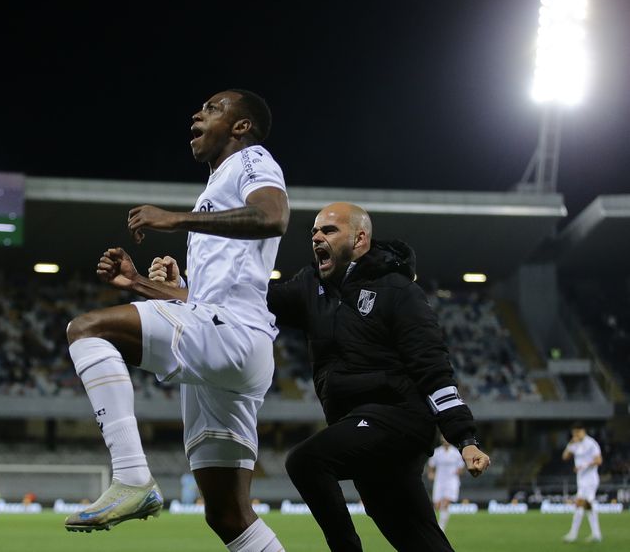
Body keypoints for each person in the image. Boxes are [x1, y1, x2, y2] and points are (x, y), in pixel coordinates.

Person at [150, 202, 491, 552]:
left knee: (307, 461)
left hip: (399, 418)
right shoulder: (311, 286)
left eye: (328, 230)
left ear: (360, 239)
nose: (316, 237)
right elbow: (246, 305)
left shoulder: (398, 290)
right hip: (358, 427)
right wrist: (185, 285)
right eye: (314, 231)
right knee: (417, 539)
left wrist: (464, 438)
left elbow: (432, 366)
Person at [64, 89, 289, 552]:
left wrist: (173, 219)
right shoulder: (214, 193)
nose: (197, 113)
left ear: (240, 126)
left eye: (212, 108)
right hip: (231, 346)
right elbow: (208, 299)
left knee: (87, 329)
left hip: (234, 335)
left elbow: (273, 216)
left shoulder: (252, 160)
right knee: (228, 515)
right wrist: (141, 284)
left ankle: (131, 476)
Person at [562, 422, 603, 543]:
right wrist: (570, 443)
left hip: (590, 479)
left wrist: (584, 466)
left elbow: (599, 460)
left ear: (583, 431)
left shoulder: (591, 443)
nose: (576, 435)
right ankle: (596, 534)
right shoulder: (575, 444)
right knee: (588, 506)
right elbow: (565, 457)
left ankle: (573, 534)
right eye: (574, 433)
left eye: (577, 432)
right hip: (581, 480)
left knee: (580, 505)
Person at [427, 437, 465, 532]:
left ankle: (441, 528)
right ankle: (435, 527)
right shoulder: (437, 452)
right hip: (439, 480)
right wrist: (431, 474)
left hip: (452, 480)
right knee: (437, 505)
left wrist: (458, 471)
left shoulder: (456, 453)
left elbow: (461, 467)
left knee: (446, 503)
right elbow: (431, 466)